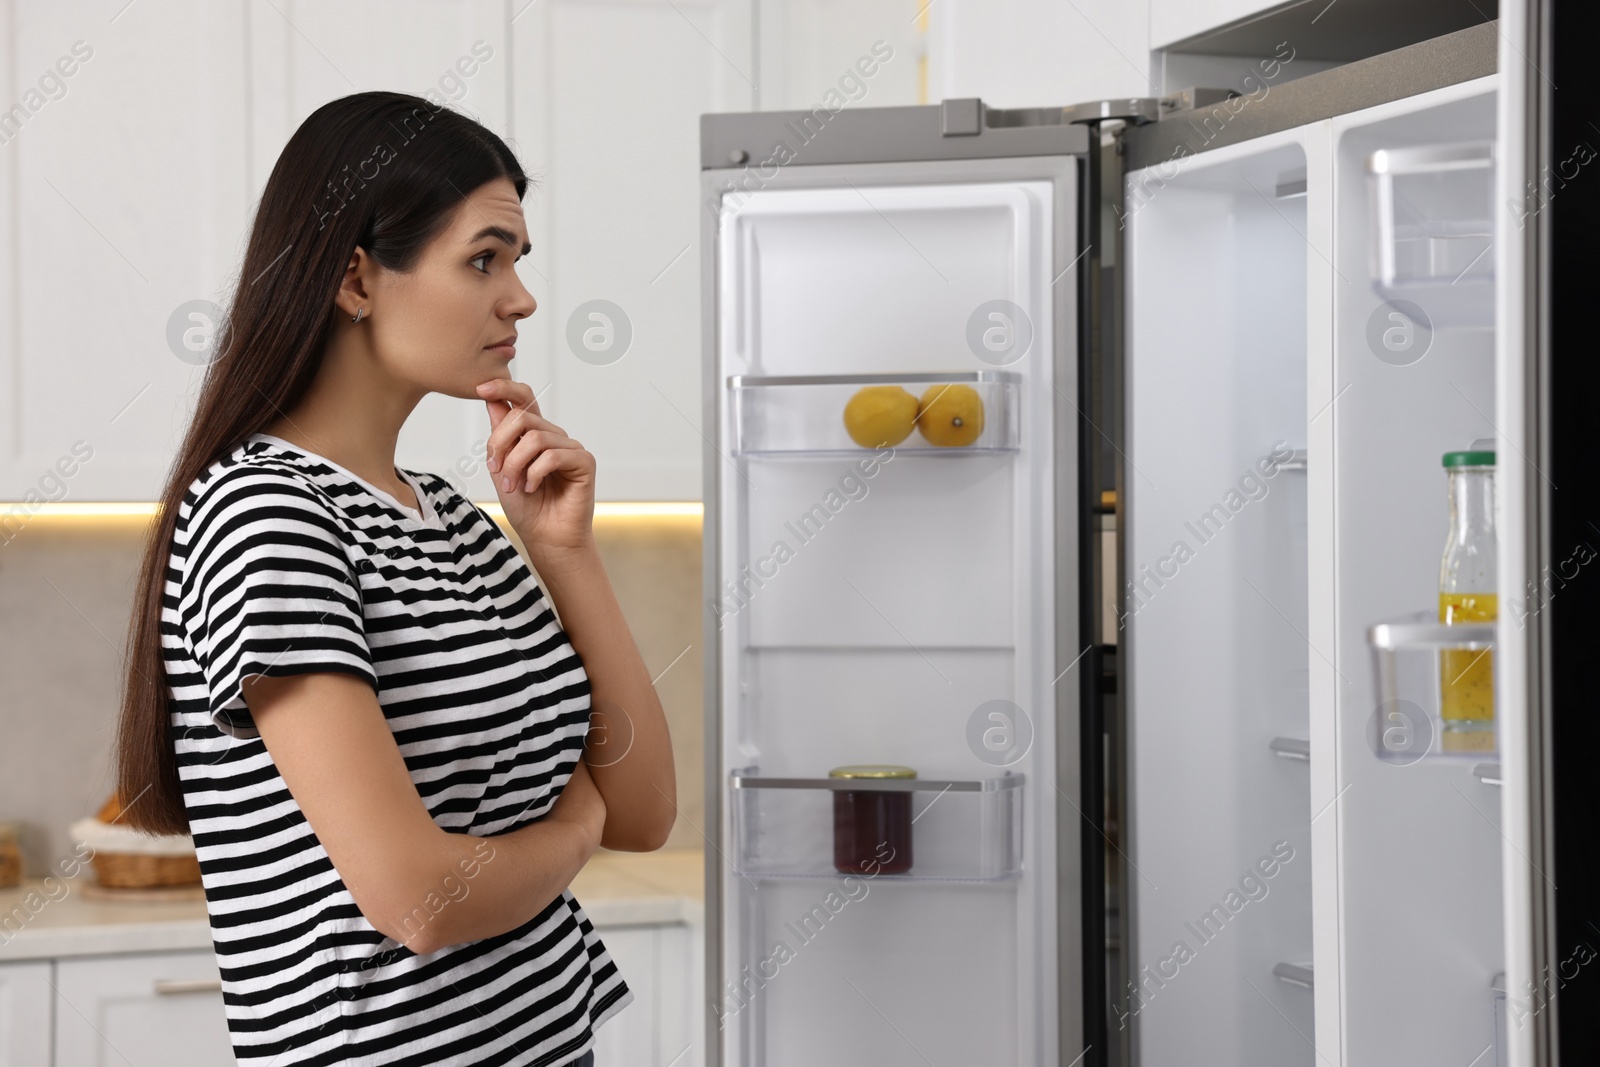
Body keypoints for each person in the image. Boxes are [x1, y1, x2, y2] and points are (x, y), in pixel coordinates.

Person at [112, 90, 676, 1066]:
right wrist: (573, 824)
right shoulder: (268, 515)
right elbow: (419, 897)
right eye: (484, 257)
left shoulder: (448, 515)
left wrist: (563, 549)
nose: (522, 297)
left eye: (517, 261)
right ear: (357, 277)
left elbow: (645, 808)